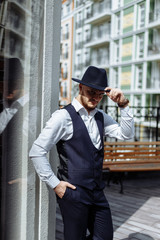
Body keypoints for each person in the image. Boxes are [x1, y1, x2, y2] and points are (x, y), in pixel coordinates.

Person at [29, 66, 134, 240]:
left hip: (97, 191)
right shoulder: (62, 117)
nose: (95, 98)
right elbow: (37, 151)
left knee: (104, 236)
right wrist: (55, 184)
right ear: (80, 88)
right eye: (91, 92)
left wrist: (123, 104)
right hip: (74, 192)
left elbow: (126, 134)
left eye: (100, 94)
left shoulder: (100, 116)